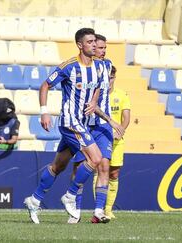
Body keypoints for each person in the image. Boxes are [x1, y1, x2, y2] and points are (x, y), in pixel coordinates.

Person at [23, 28, 124, 224]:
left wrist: (94, 103)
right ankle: (70, 196)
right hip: (71, 122)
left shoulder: (99, 66)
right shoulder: (69, 66)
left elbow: (97, 87)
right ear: (80, 45)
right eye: (90, 42)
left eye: (95, 41)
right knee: (95, 158)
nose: (94, 45)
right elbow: (45, 85)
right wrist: (44, 111)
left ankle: (34, 200)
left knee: (58, 165)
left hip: (84, 123)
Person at [69, 34, 113, 224]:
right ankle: (75, 211)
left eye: (103, 48)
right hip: (84, 123)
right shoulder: (82, 68)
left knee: (104, 166)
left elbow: (107, 89)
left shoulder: (108, 66)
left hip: (102, 125)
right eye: (97, 47)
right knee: (80, 167)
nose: (100, 50)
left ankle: (98, 211)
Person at [104, 65, 130, 219]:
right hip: (100, 137)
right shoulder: (97, 95)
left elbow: (126, 117)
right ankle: (99, 207)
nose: (109, 81)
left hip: (116, 139)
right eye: (107, 77)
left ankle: (108, 209)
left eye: (111, 77)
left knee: (113, 173)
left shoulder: (122, 95)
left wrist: (120, 131)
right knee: (101, 171)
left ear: (115, 77)